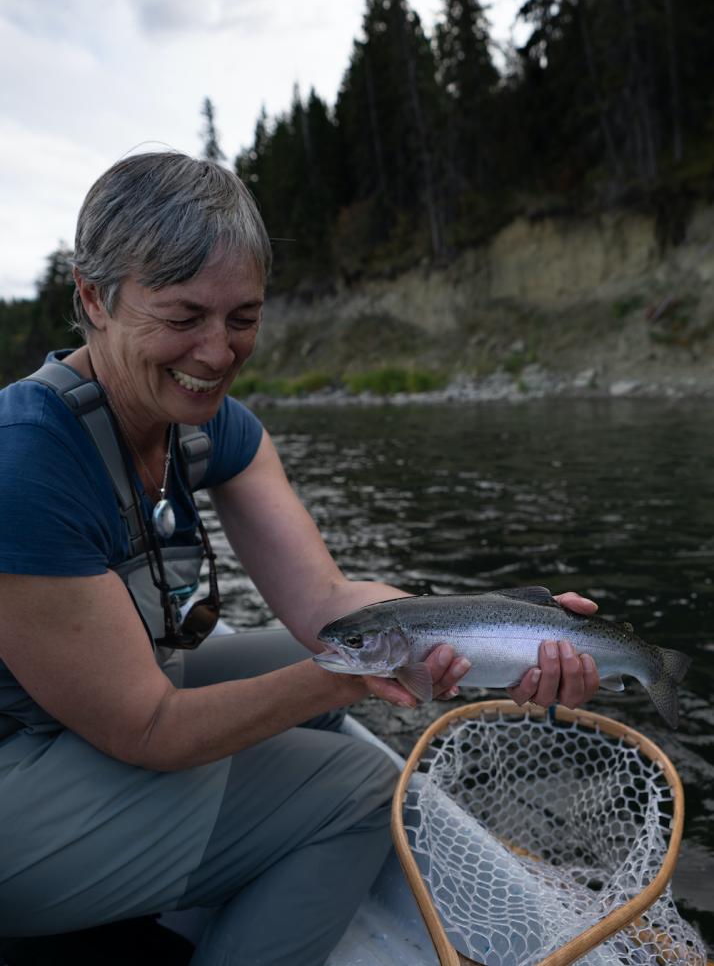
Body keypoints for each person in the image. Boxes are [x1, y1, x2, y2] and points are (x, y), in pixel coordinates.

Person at [0, 152, 600, 966]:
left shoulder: (208, 425)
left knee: (316, 664)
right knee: (358, 792)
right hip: (18, 777)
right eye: (183, 317)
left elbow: (324, 598)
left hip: (83, 722)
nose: (216, 353)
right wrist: (350, 673)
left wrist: (505, 626)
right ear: (94, 299)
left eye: (242, 317)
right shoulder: (25, 459)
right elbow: (146, 725)